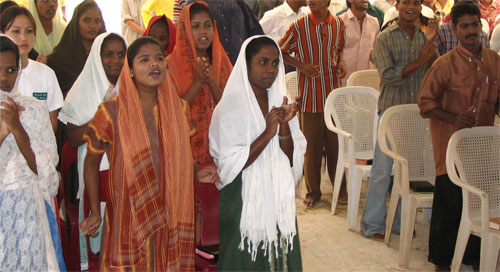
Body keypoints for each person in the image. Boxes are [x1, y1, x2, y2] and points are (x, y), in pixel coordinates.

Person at [80, 37, 198, 271]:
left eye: (159, 58)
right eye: (144, 60)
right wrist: (95, 211)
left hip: (171, 211)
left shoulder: (180, 109)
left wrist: (198, 173)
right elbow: (90, 162)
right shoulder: (111, 112)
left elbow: (186, 159)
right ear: (130, 70)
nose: (154, 64)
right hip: (127, 211)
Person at [209, 35, 306, 271]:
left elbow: (291, 156)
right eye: (263, 62)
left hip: (277, 194)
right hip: (241, 197)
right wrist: (267, 132)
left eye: (275, 63)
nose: (271, 70)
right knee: (243, 257)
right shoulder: (230, 108)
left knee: (280, 252)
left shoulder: (279, 100)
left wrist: (283, 124)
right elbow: (229, 163)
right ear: (247, 64)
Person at [418, 1, 499, 269]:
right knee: (449, 206)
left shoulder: (494, 61)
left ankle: (475, 259)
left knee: (478, 204)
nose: (471, 31)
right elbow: (425, 103)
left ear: (481, 26)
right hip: (450, 148)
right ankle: (442, 263)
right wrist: (455, 118)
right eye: (464, 26)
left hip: (482, 149)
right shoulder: (444, 65)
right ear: (455, 29)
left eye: (474, 25)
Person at [360, 0, 438, 240]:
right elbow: (389, 76)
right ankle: (372, 225)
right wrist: (421, 62)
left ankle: (399, 223)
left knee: (408, 172)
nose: (412, 7)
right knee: (383, 171)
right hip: (391, 113)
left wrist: (431, 50)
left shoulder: (423, 38)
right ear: (398, 5)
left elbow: (430, 74)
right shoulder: (385, 37)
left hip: (415, 115)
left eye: (416, 3)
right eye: (407, 2)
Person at [58, 32, 127, 270]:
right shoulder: (82, 89)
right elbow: (74, 138)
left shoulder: (133, 86)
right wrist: (103, 118)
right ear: (97, 57)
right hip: (93, 169)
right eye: (108, 54)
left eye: (121, 54)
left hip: (125, 171)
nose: (115, 60)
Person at [0, 34, 64, 271]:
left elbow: (46, 171)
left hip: (27, 210)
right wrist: (3, 132)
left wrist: (18, 130)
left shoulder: (34, 109)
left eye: (10, 69)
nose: (4, 78)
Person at [280, 0, 345, 208]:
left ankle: (340, 189)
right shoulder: (299, 26)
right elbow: (280, 51)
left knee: (336, 146)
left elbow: (339, 49)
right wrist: (302, 66)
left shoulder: (338, 24)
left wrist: (340, 62)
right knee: (312, 148)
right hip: (310, 97)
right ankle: (313, 191)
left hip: (333, 96)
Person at [167, 2, 232, 168]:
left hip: (221, 153)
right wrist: (197, 83)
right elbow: (172, 114)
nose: (203, 32)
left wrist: (211, 81)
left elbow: (232, 109)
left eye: (207, 25)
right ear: (185, 29)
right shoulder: (171, 66)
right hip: (185, 156)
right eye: (195, 26)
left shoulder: (222, 63)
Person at [0, 6, 63, 133]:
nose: (23, 38)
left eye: (29, 31)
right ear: (2, 34)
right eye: (16, 31)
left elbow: (52, 123)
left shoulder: (47, 74)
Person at [47, 0, 106, 96]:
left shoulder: (106, 54)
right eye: (86, 20)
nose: (92, 26)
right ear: (76, 22)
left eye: (97, 21)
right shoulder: (58, 60)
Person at [185, 0, 265, 65]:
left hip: (239, 69)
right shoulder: (194, 3)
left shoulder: (238, 3)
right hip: (208, 69)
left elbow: (256, 38)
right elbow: (184, 37)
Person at [339, 0, 379, 86]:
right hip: (343, 81)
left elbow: (374, 51)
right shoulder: (339, 21)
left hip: (365, 81)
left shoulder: (374, 22)